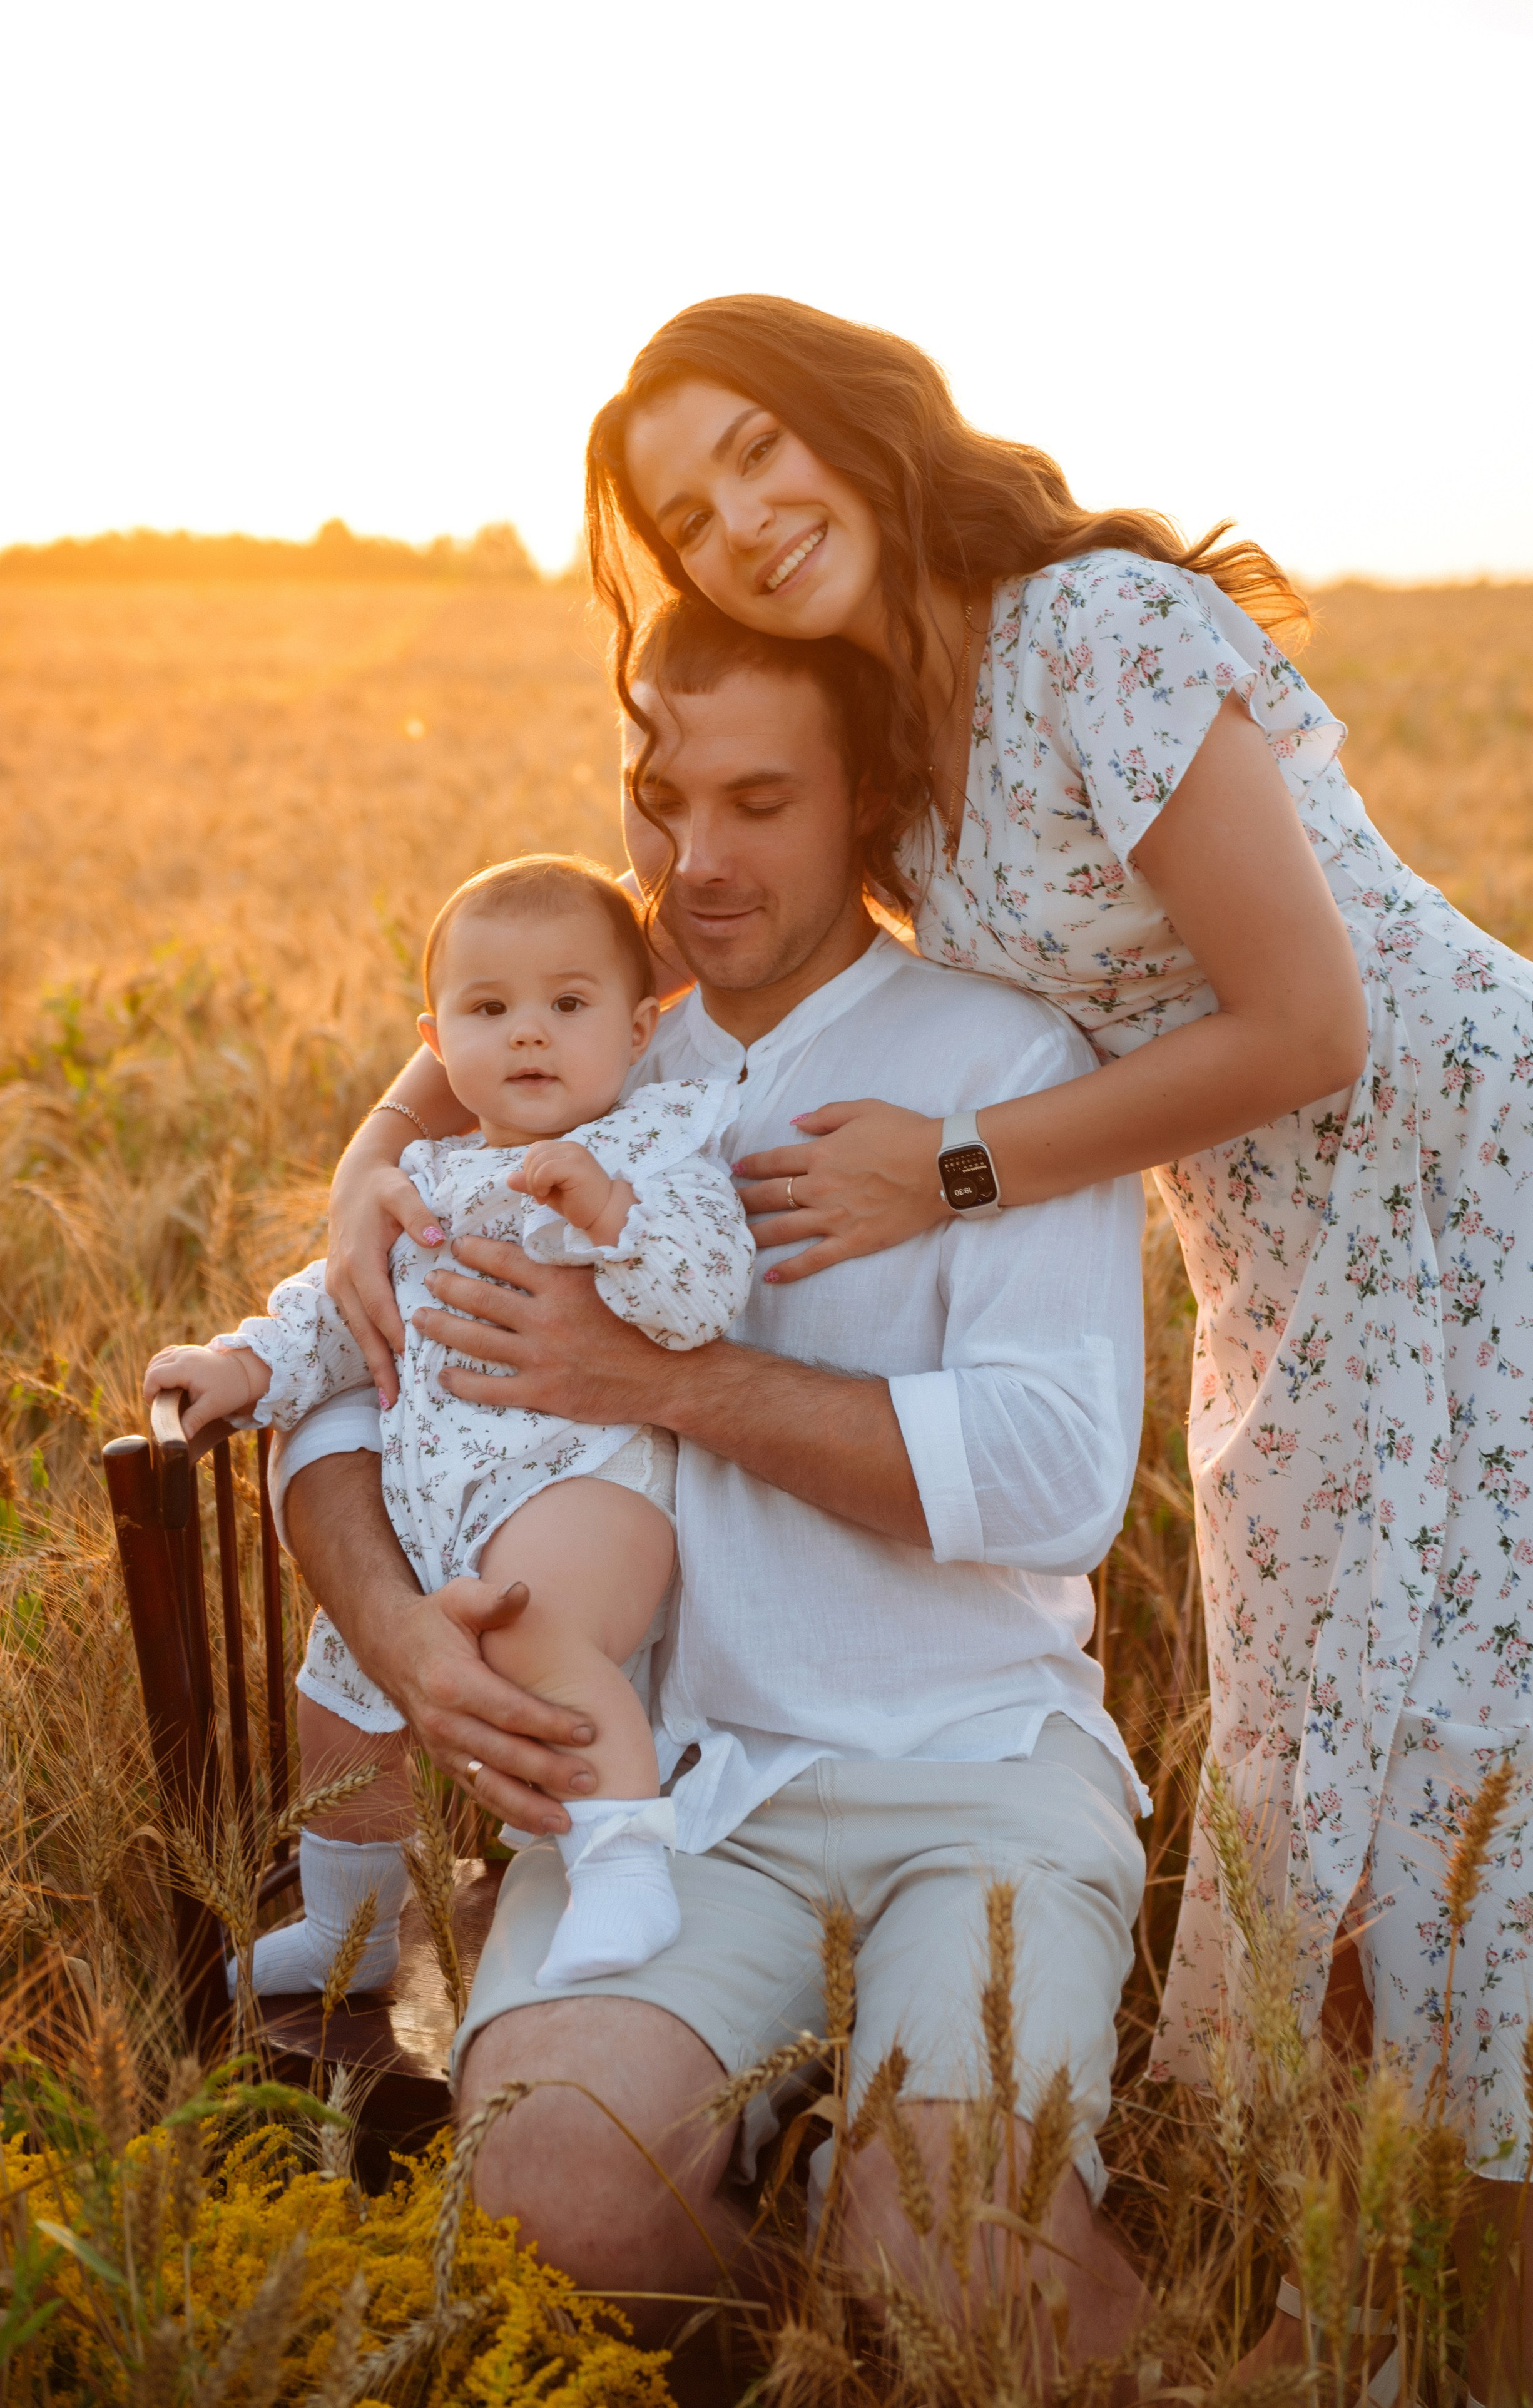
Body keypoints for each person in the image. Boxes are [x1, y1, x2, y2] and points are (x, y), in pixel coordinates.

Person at [566, 292, 1533, 2383]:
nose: (736, 520)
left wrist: (960, 1169)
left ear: (860, 423)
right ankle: (1353, 2312)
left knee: (1476, 1768)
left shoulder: (1096, 627)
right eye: (684, 512)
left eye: (756, 452)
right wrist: (399, 1137)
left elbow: (1310, 1022)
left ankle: (1444, 2323)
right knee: (1325, 1778)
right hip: (1286, 1267)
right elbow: (622, 932)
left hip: (1476, 1214)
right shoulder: (898, 756)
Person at [275, 605, 1150, 2339]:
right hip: (656, 1794)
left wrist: (654, 1373)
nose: (695, 860)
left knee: (961, 2258)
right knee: (546, 2212)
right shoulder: (564, 1042)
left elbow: (1059, 1480)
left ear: (872, 799)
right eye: (659, 800)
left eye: (760, 801)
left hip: (973, 1763)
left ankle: (887, 2227)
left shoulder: (999, 1066)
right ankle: (814, 2269)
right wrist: (399, 1638)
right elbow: (337, 1393)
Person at [145, 854, 753, 1995]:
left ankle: (622, 1857)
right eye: (489, 1010)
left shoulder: (654, 1148)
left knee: (530, 1631)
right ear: (436, 1036)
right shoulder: (419, 1173)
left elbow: (708, 1293)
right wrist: (243, 1361)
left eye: (568, 1007)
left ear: (637, 1030)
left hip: (586, 1488)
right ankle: (352, 1931)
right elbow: (345, 1310)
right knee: (341, 1702)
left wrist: (612, 1218)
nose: (530, 1035)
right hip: (431, 1512)